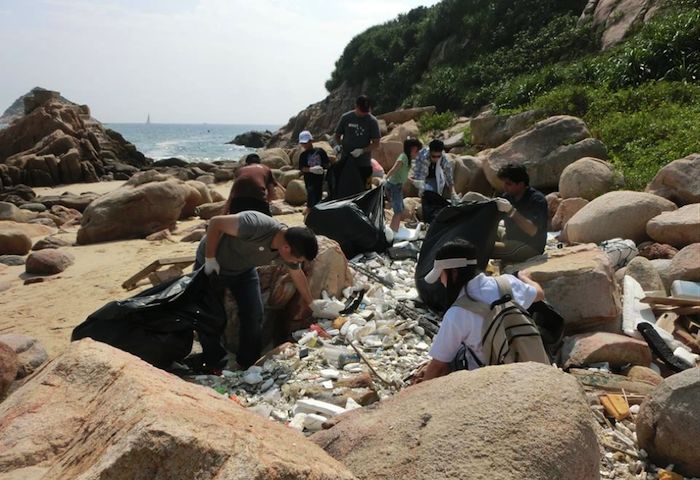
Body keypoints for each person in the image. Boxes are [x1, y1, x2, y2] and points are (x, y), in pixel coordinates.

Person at [194, 211, 318, 368]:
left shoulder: (288, 249)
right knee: (209, 314)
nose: (296, 262)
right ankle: (214, 362)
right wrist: (210, 258)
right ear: (286, 248)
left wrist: (312, 304)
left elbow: (297, 273)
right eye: (297, 259)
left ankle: (248, 362)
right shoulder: (255, 224)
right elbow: (215, 222)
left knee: (254, 314)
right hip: (211, 264)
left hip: (243, 270)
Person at [414, 239, 544, 383]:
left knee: (451, 356)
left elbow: (438, 365)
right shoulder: (507, 283)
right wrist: (525, 278)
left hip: (491, 379)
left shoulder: (457, 313)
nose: (440, 280)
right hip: (528, 361)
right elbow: (539, 294)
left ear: (454, 273)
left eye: (441, 274)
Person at [492, 163, 548, 263]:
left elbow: (532, 230)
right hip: (511, 238)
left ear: (521, 184)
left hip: (530, 246)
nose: (504, 187)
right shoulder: (508, 197)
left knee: (486, 248)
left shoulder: (537, 200)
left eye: (508, 184)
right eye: (504, 183)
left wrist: (511, 211)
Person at [332, 94, 381, 198]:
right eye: (362, 110)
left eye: (366, 111)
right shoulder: (346, 118)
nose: (364, 113)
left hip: (363, 164)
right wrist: (337, 146)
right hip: (346, 162)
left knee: (365, 192)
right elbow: (336, 136)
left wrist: (362, 150)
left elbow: (376, 144)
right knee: (344, 190)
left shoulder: (372, 121)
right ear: (356, 106)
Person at [410, 139, 455, 223]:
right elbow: (420, 175)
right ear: (430, 152)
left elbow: (449, 174)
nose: (436, 159)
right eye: (434, 156)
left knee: (435, 196)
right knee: (427, 194)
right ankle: (428, 220)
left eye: (438, 156)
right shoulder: (423, 157)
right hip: (423, 176)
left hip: (436, 175)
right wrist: (420, 186)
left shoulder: (443, 158)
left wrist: (453, 192)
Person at [384, 137, 422, 232]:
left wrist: (413, 182)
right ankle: (394, 230)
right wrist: (385, 178)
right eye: (417, 151)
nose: (418, 154)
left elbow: (402, 174)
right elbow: (394, 169)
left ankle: (394, 228)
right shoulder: (403, 157)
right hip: (394, 186)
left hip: (399, 186)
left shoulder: (408, 159)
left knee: (400, 208)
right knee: (398, 210)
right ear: (413, 150)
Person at [297, 130, 330, 211]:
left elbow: (327, 163)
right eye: (302, 143)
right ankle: (310, 213)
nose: (304, 145)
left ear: (311, 141)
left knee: (318, 197)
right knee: (311, 197)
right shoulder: (303, 155)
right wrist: (311, 169)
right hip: (309, 181)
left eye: (306, 143)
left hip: (319, 179)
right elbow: (301, 168)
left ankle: (316, 214)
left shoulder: (320, 151)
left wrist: (324, 169)